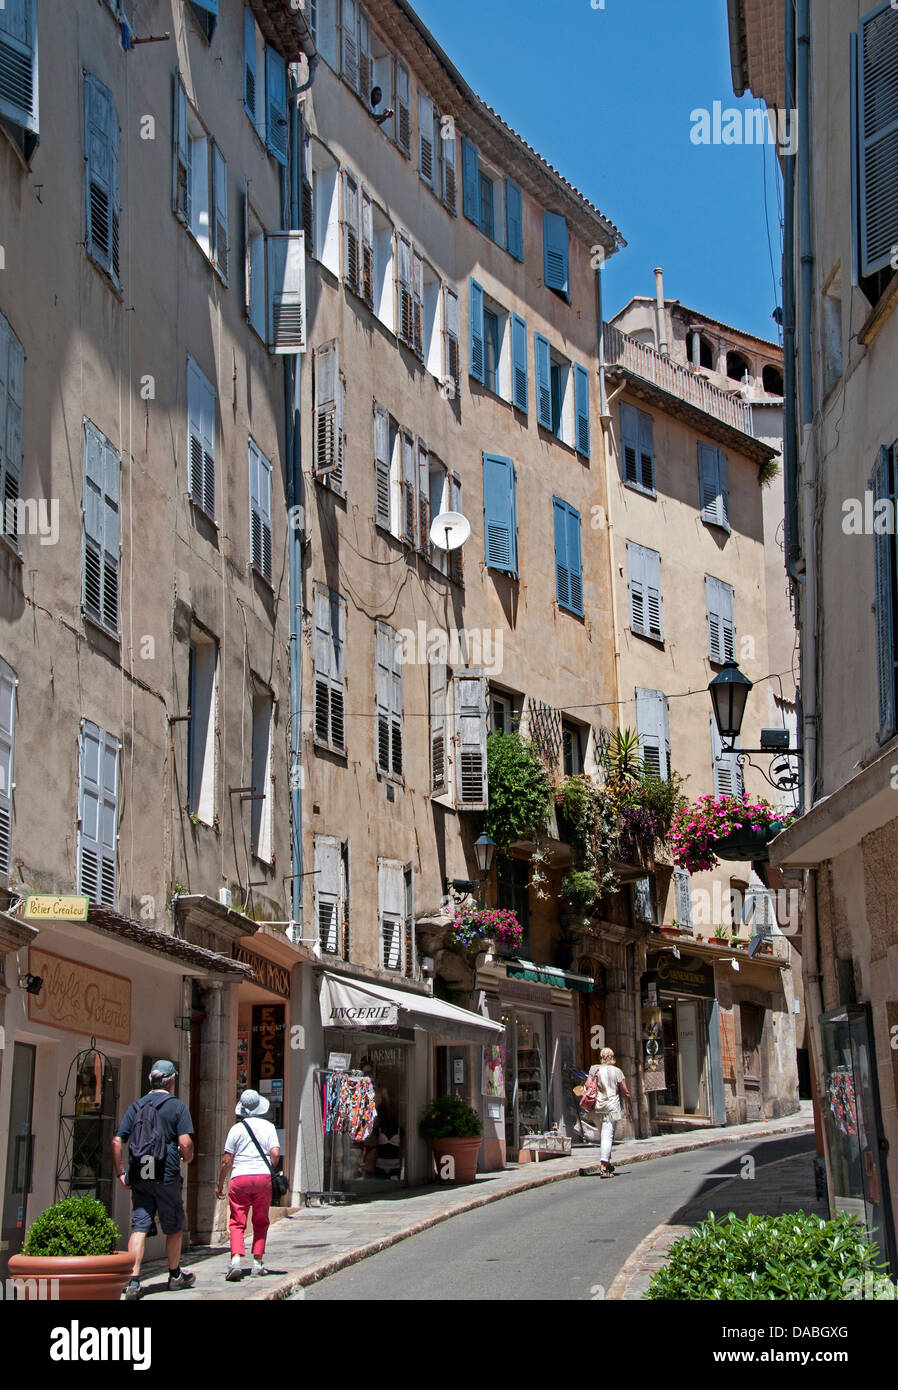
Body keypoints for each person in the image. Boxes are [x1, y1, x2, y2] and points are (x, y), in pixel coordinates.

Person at [112, 1060, 196, 1300]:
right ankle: (174, 1275)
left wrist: (121, 1173)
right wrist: (187, 1158)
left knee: (139, 1225)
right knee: (174, 1225)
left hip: (140, 1173)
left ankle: (134, 1281)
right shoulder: (177, 1107)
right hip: (166, 1174)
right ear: (171, 1081)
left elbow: (117, 1141)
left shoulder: (136, 1107)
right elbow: (185, 1143)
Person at [216, 1089, 281, 1280]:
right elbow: (275, 1153)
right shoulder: (269, 1127)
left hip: (240, 1178)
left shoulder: (236, 1129)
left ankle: (235, 1259)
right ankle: (257, 1262)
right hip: (262, 1177)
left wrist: (220, 1183)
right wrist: (270, 1167)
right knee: (261, 1220)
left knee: (237, 1221)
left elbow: (227, 1160)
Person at [588, 1047, 633, 1177]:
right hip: (612, 1107)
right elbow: (625, 1091)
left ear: (601, 1057)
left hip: (598, 1107)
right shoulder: (617, 1071)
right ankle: (603, 1167)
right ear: (612, 1057)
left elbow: (587, 1084)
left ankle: (607, 1163)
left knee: (604, 1135)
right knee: (607, 1136)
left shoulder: (594, 1069)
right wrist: (629, 1104)